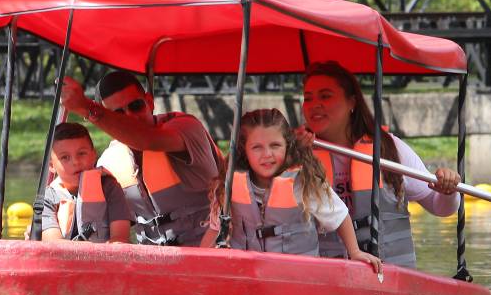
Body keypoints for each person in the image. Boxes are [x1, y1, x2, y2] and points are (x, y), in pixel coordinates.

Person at [299, 60, 460, 268]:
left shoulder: (388, 148)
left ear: (352, 102)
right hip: (325, 278)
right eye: (307, 98)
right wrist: (292, 155)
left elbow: (440, 208)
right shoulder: (293, 155)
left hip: (387, 275)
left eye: (325, 96)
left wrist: (448, 191)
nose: (314, 105)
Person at [200, 108, 382, 275]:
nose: (267, 154)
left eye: (275, 145)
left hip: (299, 278)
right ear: (243, 150)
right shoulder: (228, 186)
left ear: (287, 146)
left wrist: (355, 251)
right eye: (257, 147)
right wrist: (199, 262)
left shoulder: (304, 183)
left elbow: (340, 216)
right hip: (250, 278)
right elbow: (215, 228)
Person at [60, 70, 221, 246]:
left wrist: (86, 107)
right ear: (109, 121)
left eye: (136, 106)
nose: (130, 117)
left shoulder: (187, 129)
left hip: (209, 252)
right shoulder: (108, 162)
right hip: (150, 264)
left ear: (150, 102)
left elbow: (145, 140)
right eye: (119, 114)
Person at [40, 122, 131, 243]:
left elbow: (120, 238)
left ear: (94, 155)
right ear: (51, 165)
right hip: (66, 260)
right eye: (65, 157)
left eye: (81, 153)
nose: (75, 162)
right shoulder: (48, 198)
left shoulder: (110, 188)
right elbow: (53, 241)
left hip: (104, 259)